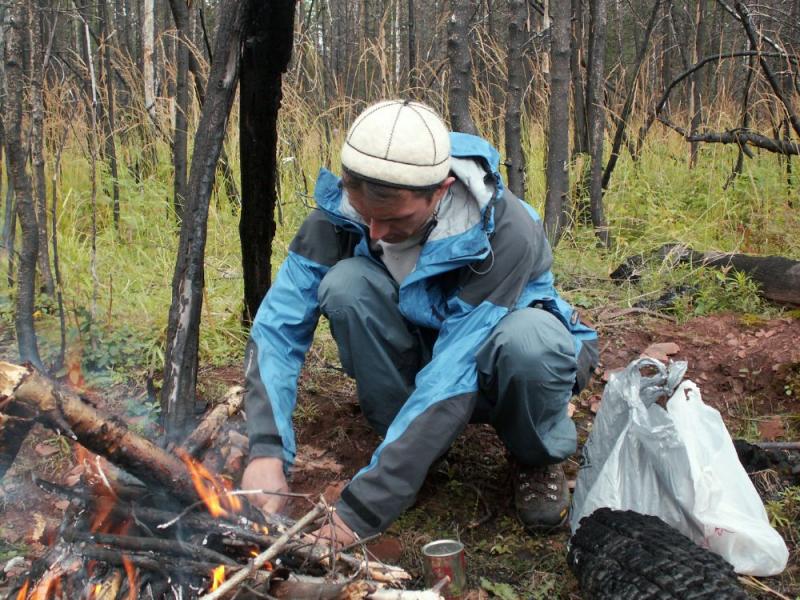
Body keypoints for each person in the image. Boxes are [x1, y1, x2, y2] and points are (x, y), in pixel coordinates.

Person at [240, 100, 598, 547]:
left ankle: (535, 452)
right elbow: (277, 329)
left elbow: (454, 373)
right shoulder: (335, 219)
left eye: (394, 220)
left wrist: (363, 509)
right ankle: (410, 445)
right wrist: (267, 448)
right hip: (423, 351)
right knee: (347, 285)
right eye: (364, 214)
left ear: (442, 189)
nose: (375, 232)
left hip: (497, 366)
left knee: (529, 342)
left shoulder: (505, 231)